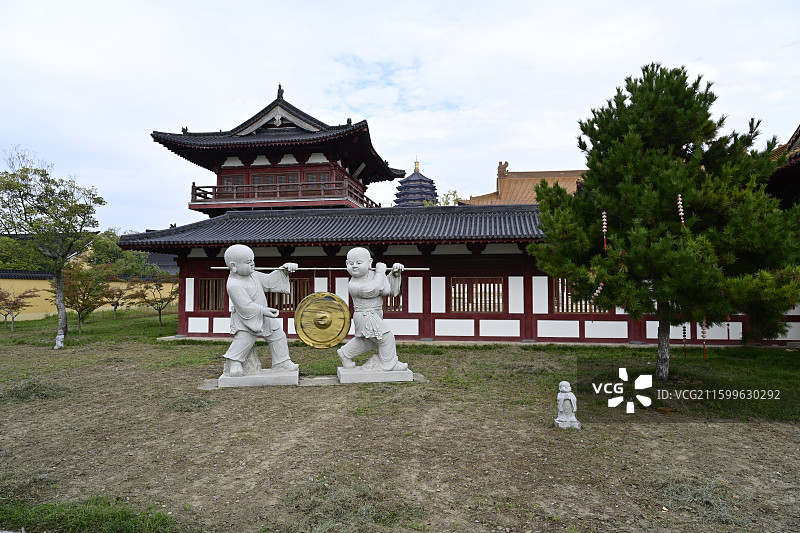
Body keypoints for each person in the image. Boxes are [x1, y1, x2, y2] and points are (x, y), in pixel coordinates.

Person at [222, 244, 299, 376]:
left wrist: (284, 270)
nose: (252, 264)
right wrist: (264, 311)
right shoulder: (234, 284)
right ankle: (234, 361)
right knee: (245, 339)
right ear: (233, 266)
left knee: (278, 336)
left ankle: (281, 361)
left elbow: (269, 282)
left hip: (264, 315)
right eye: (248, 262)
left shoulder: (254, 275)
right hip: (247, 318)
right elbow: (245, 306)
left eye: (252, 260)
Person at [337, 246, 408, 371]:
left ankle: (345, 353)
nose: (354, 266)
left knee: (369, 342)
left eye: (359, 263)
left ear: (369, 263)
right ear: (346, 264)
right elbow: (374, 289)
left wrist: (395, 274)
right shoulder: (353, 284)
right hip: (366, 315)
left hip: (373, 314)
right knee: (387, 337)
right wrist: (381, 271)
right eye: (351, 263)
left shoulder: (373, 275)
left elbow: (386, 289)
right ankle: (389, 365)